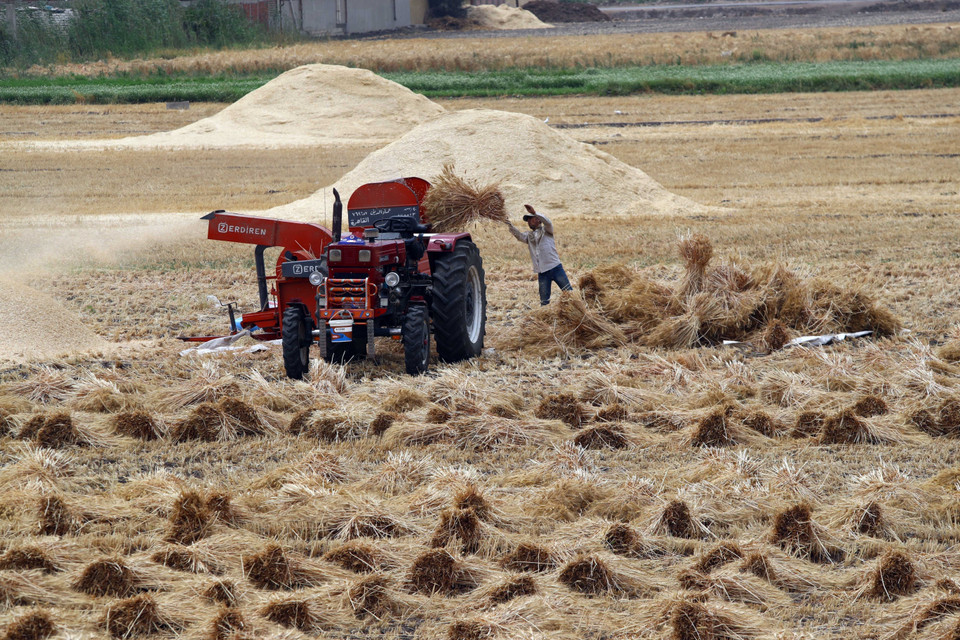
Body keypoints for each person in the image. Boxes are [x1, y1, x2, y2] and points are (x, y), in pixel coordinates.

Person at [506, 204, 573, 305]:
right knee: (544, 302)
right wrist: (508, 224)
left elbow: (548, 222)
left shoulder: (547, 230)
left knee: (570, 295)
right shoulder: (529, 235)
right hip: (542, 273)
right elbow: (519, 236)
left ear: (538, 220)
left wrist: (534, 213)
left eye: (531, 219)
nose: (529, 222)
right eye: (528, 220)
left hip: (556, 268)